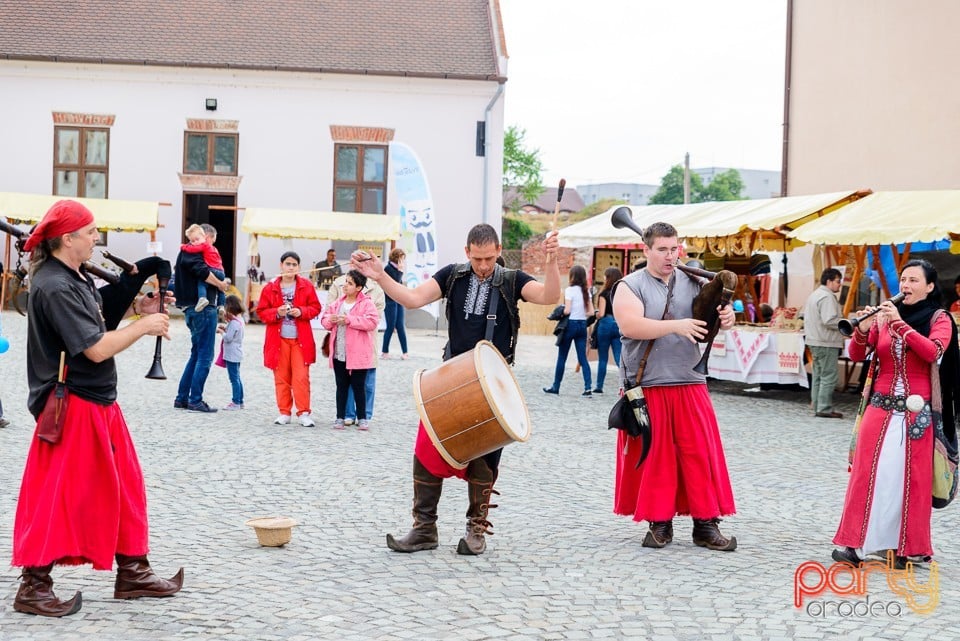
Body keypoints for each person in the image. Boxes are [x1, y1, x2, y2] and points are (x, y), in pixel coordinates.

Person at [12, 199, 182, 617]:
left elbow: (97, 320)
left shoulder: (73, 276)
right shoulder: (53, 285)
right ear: (67, 238)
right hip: (72, 405)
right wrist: (144, 328)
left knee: (125, 487)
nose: (96, 239)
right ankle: (33, 586)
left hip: (98, 401)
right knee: (58, 496)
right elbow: (94, 347)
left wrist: (136, 310)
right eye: (90, 232)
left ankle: (133, 572)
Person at [351, 223, 560, 556]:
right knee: (426, 450)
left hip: (492, 384)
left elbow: (550, 297)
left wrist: (551, 263)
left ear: (499, 250)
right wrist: (380, 275)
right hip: (450, 379)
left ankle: (476, 530)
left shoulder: (511, 280)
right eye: (477, 258)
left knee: (484, 456)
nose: (483, 265)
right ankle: (423, 530)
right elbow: (412, 298)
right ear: (467, 252)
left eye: (490, 258)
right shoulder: (453, 276)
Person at [612, 221, 738, 552]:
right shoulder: (629, 285)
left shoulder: (695, 282)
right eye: (663, 250)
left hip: (690, 379)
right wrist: (676, 325)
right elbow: (630, 325)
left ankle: (706, 524)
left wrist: (726, 318)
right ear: (646, 250)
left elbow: (711, 320)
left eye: (674, 249)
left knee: (699, 455)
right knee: (657, 458)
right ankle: (660, 524)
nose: (670, 256)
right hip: (649, 383)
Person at [832, 259, 960, 568]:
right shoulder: (884, 317)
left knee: (910, 482)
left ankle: (906, 548)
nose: (906, 285)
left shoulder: (939, 318)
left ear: (930, 287)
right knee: (867, 476)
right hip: (879, 407)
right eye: (903, 279)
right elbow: (856, 355)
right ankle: (855, 545)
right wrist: (862, 330)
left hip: (918, 415)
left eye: (914, 280)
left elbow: (932, 351)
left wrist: (900, 324)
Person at [257, 251, 321, 427]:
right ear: (281, 265)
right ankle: (284, 412)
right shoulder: (270, 288)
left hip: (300, 339)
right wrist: (276, 312)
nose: (290, 267)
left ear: (299, 268)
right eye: (288, 264)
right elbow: (261, 312)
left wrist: (301, 311)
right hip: (278, 340)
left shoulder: (306, 286)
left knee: (301, 377)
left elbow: (315, 308)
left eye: (294, 264)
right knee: (281, 377)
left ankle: (304, 412)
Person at [174, 223, 229, 413]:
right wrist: (221, 285)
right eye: (210, 242)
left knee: (196, 353)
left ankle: (182, 397)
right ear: (206, 237)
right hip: (203, 309)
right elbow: (202, 271)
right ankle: (195, 399)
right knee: (205, 355)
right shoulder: (194, 252)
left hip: (191, 309)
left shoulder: (188, 251)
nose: (210, 247)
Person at [321, 270, 379, 430]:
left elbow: (372, 322)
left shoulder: (367, 303)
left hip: (359, 353)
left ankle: (362, 418)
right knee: (341, 385)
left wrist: (349, 320)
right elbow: (324, 320)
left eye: (350, 283)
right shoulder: (337, 303)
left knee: (359, 386)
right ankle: (340, 417)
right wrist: (331, 320)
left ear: (359, 287)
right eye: (345, 281)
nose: (345, 285)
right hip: (339, 352)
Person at [543, 264, 594, 397]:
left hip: (570, 325)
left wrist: (561, 310)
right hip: (582, 325)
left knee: (562, 357)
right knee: (582, 358)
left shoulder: (570, 290)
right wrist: (581, 315)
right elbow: (591, 312)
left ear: (572, 276)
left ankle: (556, 386)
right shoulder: (586, 292)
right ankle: (588, 387)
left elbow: (567, 310)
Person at [803, 268, 846, 419]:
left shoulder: (815, 294)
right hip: (826, 341)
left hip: (814, 340)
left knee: (818, 375)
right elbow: (829, 320)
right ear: (829, 281)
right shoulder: (827, 297)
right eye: (837, 281)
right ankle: (824, 408)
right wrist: (847, 324)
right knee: (828, 376)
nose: (840, 285)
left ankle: (816, 404)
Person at [181, 223, 226, 312]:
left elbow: (204, 273)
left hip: (212, 270)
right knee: (221, 290)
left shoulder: (203, 246)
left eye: (196, 240)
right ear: (207, 237)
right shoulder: (214, 248)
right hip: (221, 271)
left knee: (202, 282)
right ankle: (221, 305)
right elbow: (204, 270)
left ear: (204, 237)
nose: (194, 243)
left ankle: (202, 298)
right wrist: (220, 283)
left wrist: (183, 246)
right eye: (193, 241)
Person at [593, 266, 623, 395]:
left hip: (605, 324)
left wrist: (596, 314)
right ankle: (625, 384)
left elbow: (602, 313)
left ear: (608, 278)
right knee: (619, 357)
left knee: (603, 357)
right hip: (618, 324)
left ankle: (599, 386)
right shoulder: (622, 293)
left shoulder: (604, 294)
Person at [218, 294, 245, 410]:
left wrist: (221, 332)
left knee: (234, 379)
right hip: (237, 352)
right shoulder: (239, 320)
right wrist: (226, 328)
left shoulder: (234, 322)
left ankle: (235, 402)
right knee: (237, 378)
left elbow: (228, 338)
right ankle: (240, 400)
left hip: (232, 354)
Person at [381, 248, 409, 359]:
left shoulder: (397, 268)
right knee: (390, 326)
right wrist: (401, 271)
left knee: (400, 326)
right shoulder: (388, 268)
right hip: (390, 301)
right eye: (401, 258)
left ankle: (405, 352)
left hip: (399, 300)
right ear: (396, 257)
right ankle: (385, 352)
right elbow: (395, 282)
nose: (402, 261)